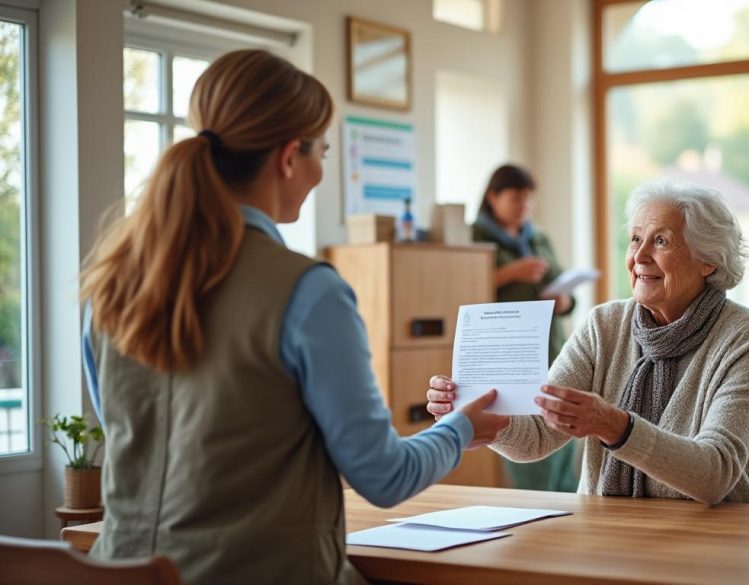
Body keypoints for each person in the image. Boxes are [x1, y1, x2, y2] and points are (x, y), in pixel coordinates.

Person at [79, 50, 507, 585]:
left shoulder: (111, 285)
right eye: (322, 151)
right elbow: (385, 476)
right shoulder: (309, 292)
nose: (320, 171)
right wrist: (459, 428)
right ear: (288, 158)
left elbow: (134, 435)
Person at [429, 179, 749, 504]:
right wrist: (486, 415)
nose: (639, 257)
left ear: (709, 260)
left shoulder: (745, 336)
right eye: (636, 239)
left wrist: (616, 427)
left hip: (718, 543)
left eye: (661, 241)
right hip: (609, 534)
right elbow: (537, 435)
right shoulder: (604, 325)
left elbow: (714, 475)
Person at [471, 164, 578, 492]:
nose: (524, 207)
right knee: (525, 444)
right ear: (493, 197)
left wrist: (565, 301)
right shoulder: (473, 237)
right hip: (509, 355)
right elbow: (461, 288)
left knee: (564, 440)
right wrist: (510, 273)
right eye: (516, 198)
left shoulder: (538, 236)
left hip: (551, 349)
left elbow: (562, 287)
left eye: (529, 199)